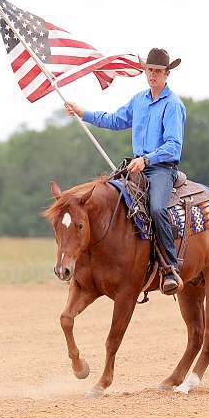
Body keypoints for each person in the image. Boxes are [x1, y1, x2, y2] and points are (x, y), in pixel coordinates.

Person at [65, 48, 186, 294]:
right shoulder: (139, 100)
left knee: (157, 208)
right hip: (134, 167)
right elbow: (115, 120)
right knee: (109, 199)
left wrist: (147, 159)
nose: (152, 75)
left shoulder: (173, 105)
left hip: (161, 168)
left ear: (167, 74)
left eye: (158, 71)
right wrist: (82, 112)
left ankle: (170, 268)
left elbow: (174, 145)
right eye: (149, 70)